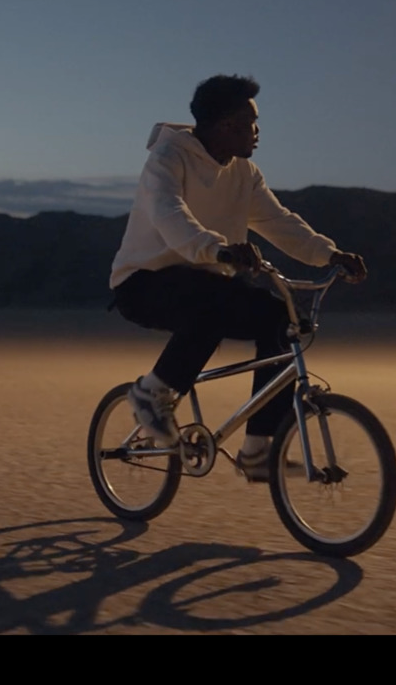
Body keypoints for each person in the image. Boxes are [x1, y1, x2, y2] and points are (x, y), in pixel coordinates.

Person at [108, 74, 367, 482]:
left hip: (207, 283)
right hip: (144, 283)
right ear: (225, 126)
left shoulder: (244, 173)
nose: (257, 132)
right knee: (210, 305)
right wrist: (217, 249)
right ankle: (151, 394)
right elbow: (169, 214)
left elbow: (279, 222)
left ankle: (257, 451)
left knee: (284, 320)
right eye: (251, 123)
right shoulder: (167, 159)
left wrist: (329, 254)